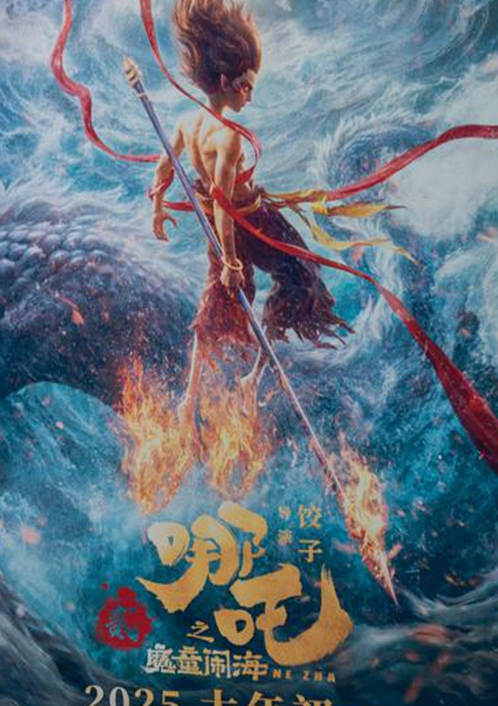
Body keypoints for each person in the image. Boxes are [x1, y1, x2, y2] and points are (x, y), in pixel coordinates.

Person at [149, 0, 350, 425]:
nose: (250, 94)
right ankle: (255, 376)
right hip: (249, 222)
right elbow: (223, 202)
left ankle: (189, 396)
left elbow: (165, 164)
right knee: (301, 273)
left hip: (226, 229)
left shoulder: (188, 124)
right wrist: (233, 260)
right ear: (225, 80)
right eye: (245, 85)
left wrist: (157, 206)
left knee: (216, 301)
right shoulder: (228, 138)